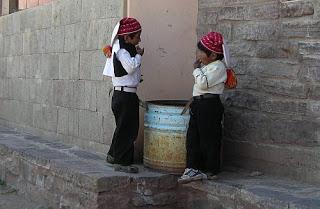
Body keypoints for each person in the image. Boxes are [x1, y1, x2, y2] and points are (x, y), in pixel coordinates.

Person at [178, 32, 227, 183]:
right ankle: (193, 168)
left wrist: (196, 70)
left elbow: (203, 84)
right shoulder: (207, 66)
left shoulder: (218, 67)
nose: (198, 55)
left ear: (212, 55)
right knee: (193, 136)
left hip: (209, 106)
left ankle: (210, 169)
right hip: (199, 104)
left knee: (209, 137)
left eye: (201, 51)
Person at [102, 17, 144, 173]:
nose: (139, 39)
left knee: (123, 128)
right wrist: (139, 55)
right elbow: (131, 66)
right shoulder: (122, 51)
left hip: (124, 95)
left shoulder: (122, 48)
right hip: (125, 96)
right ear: (127, 37)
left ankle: (113, 155)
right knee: (128, 130)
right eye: (137, 36)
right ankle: (122, 162)